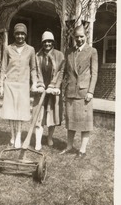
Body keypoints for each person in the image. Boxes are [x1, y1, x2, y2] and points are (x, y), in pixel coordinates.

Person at [59, 24, 98, 158]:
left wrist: (91, 91)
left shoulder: (92, 51)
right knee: (70, 121)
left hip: (84, 93)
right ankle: (69, 147)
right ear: (74, 38)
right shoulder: (69, 52)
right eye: (77, 37)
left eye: (81, 36)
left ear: (85, 36)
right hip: (70, 91)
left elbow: (95, 73)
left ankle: (82, 150)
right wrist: (56, 86)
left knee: (85, 123)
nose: (79, 39)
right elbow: (63, 72)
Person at [0, 23, 37, 148]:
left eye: (22, 34)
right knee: (11, 111)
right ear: (14, 34)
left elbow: (33, 68)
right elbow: (3, 67)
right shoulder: (8, 48)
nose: (20, 36)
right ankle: (12, 136)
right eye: (17, 34)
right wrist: (1, 84)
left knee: (20, 111)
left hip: (23, 84)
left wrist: (34, 82)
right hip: (10, 83)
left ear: (25, 35)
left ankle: (19, 135)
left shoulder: (30, 50)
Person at [33, 31, 65, 151]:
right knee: (38, 115)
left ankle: (50, 138)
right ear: (42, 42)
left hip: (53, 90)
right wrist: (39, 85)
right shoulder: (37, 56)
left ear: (53, 42)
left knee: (51, 115)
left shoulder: (59, 55)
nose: (47, 44)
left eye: (49, 41)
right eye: (45, 41)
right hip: (41, 90)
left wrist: (55, 86)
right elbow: (35, 72)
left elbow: (60, 73)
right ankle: (37, 142)